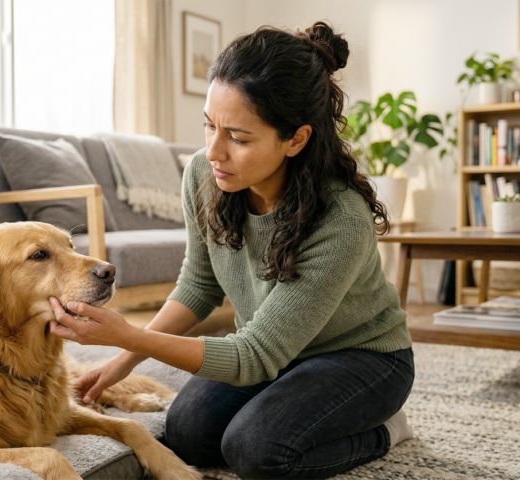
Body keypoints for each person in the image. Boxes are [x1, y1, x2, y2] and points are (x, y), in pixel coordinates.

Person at [48, 22, 415, 480]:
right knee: (187, 434)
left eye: (239, 139)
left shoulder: (339, 218)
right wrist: (120, 365)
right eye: (209, 125)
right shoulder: (204, 175)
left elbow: (254, 356)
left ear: (296, 139)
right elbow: (198, 286)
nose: (214, 151)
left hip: (361, 358)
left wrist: (128, 336)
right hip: (276, 350)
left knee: (257, 452)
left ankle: (383, 431)